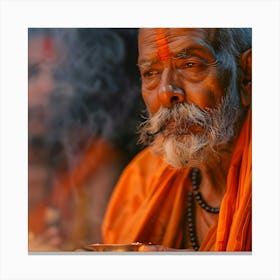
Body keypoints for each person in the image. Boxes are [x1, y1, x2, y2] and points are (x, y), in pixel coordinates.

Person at [102, 28, 252, 251]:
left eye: (190, 65)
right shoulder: (141, 183)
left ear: (247, 74)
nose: (165, 93)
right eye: (151, 73)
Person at [28, 28, 144, 251]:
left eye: (60, 76)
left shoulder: (95, 159)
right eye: (30, 73)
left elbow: (103, 248)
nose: (49, 88)